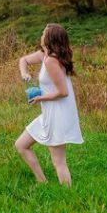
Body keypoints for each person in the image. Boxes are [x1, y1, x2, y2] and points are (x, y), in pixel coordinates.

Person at [15, 23, 83, 186]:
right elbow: (23, 60)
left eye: (43, 33)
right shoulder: (44, 55)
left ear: (49, 39)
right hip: (48, 114)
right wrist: (25, 73)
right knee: (21, 145)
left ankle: (69, 197)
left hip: (57, 115)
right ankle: (42, 181)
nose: (41, 35)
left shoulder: (51, 61)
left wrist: (40, 98)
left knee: (59, 162)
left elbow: (63, 92)